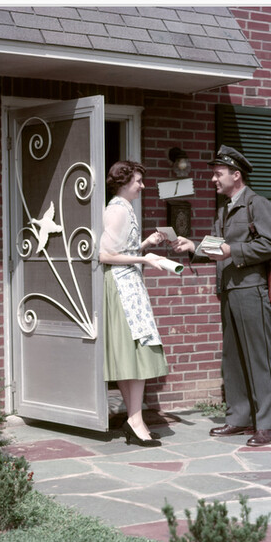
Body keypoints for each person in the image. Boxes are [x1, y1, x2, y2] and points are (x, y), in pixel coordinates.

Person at [171, 145, 271, 447]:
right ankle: (239, 418)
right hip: (229, 291)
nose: (213, 179)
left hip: (250, 289)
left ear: (236, 175)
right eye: (213, 174)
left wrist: (235, 250)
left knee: (259, 356)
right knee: (233, 358)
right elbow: (217, 248)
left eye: (218, 174)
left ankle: (268, 424)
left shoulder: (257, 205)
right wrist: (192, 246)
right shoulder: (224, 208)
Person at [100, 160, 169, 448]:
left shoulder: (124, 208)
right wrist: (144, 258)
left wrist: (145, 244)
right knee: (136, 352)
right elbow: (104, 255)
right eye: (138, 181)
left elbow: (121, 249)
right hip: (121, 286)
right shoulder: (116, 210)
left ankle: (134, 418)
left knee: (135, 352)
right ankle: (136, 420)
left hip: (129, 284)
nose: (142, 186)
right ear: (124, 182)